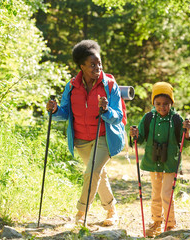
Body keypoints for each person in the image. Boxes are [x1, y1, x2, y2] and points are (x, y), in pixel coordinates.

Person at [46, 40, 125, 226]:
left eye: (99, 63)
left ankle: (81, 213)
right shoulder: (72, 86)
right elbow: (65, 113)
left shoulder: (110, 86)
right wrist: (55, 110)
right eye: (92, 64)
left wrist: (106, 111)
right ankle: (112, 211)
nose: (97, 67)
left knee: (91, 173)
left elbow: (118, 116)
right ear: (81, 66)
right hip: (81, 140)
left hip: (104, 137)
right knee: (98, 174)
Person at [129, 82, 190, 237]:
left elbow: (185, 142)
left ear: (171, 103)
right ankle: (156, 222)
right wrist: (134, 135)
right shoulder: (149, 117)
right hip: (153, 161)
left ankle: (170, 224)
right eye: (158, 104)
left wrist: (188, 131)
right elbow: (141, 138)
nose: (162, 107)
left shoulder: (177, 119)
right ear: (153, 103)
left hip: (170, 162)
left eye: (166, 104)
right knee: (156, 194)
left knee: (166, 194)